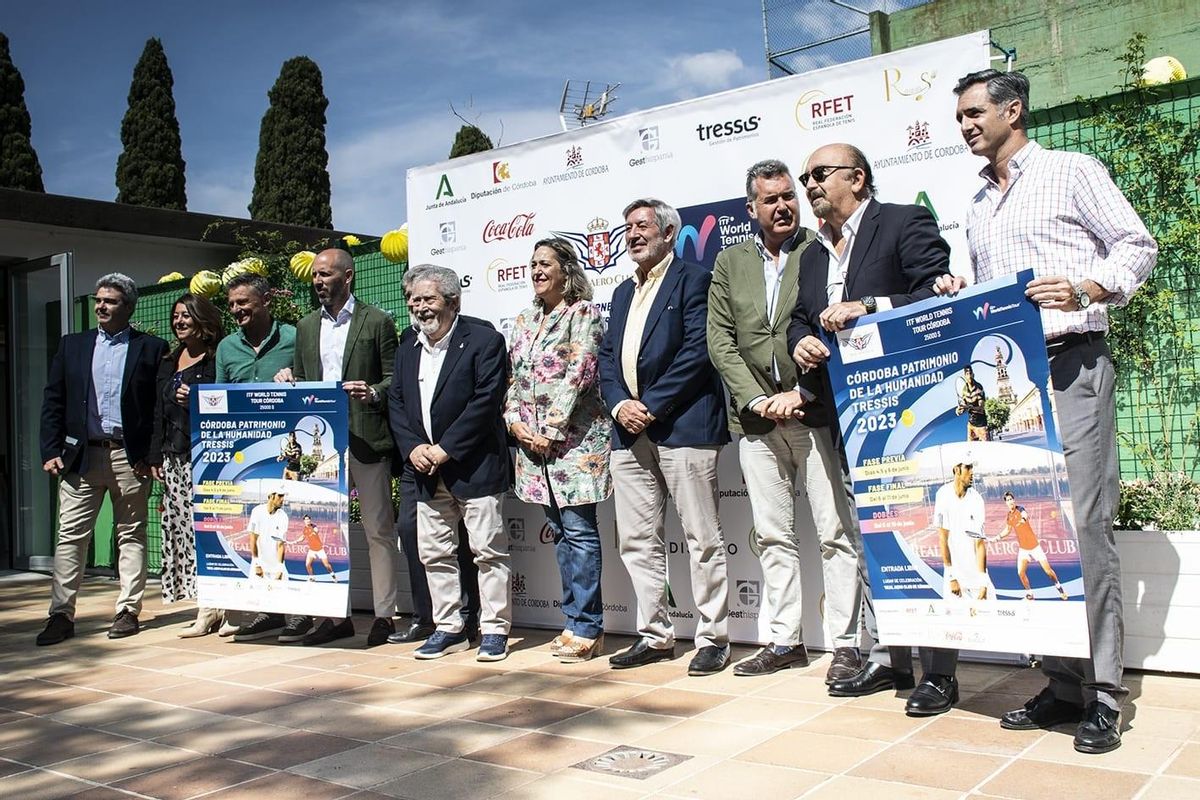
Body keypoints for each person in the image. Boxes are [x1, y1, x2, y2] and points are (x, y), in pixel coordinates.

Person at [942, 68, 1156, 753]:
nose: (967, 125)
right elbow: (991, 295)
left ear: (1014, 110)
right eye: (960, 117)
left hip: (1073, 363)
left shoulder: (1070, 170)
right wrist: (961, 288)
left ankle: (1102, 695)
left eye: (976, 113)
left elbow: (1137, 244)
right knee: (1031, 528)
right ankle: (1062, 684)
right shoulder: (975, 203)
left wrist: (1092, 283)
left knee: (1085, 528)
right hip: (1012, 387)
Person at [784, 143, 954, 711]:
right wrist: (800, 342)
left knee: (925, 533)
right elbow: (799, 323)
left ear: (857, 178)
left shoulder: (904, 221)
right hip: (846, 414)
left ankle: (940, 672)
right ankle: (889, 659)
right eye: (804, 176)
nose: (808, 184)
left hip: (910, 411)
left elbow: (938, 291)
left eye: (818, 174)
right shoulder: (809, 256)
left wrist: (870, 305)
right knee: (872, 538)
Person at [706, 159, 863, 680]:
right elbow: (720, 341)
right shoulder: (729, 263)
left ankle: (846, 644)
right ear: (751, 208)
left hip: (814, 411)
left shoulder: (818, 252)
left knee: (836, 532)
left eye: (788, 196)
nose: (782, 206)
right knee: (773, 536)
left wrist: (799, 392)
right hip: (754, 422)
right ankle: (785, 640)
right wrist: (756, 400)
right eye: (770, 199)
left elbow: (830, 328)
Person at [598, 198, 732, 676]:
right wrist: (618, 405)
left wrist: (650, 407)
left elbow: (700, 352)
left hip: (684, 427)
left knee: (702, 538)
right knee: (636, 540)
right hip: (627, 433)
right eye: (627, 227)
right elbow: (607, 360)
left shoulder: (694, 280)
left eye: (642, 226)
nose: (632, 234)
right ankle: (655, 636)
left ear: (669, 233)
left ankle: (714, 637)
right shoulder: (618, 294)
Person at [36, 274, 168, 646]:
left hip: (131, 457)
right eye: (98, 300)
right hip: (81, 456)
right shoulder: (72, 346)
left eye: (109, 301)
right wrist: (50, 450)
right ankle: (61, 615)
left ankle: (128, 611)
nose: (101, 306)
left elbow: (158, 409)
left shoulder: (151, 348)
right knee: (70, 537)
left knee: (131, 533)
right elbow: (53, 401)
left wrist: (152, 454)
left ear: (128, 306)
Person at [276, 248, 399, 648]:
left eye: (326, 275)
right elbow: (304, 381)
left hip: (366, 438)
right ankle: (334, 616)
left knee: (379, 530)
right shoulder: (306, 326)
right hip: (320, 446)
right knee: (326, 531)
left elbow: (393, 380)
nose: (317, 282)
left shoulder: (377, 321)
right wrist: (287, 377)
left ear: (348, 277)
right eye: (314, 275)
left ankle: (385, 616)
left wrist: (373, 392)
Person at [389, 264, 512, 661]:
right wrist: (413, 448)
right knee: (434, 552)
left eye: (427, 299)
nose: (418, 307)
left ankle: (494, 630)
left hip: (473, 465)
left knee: (487, 552)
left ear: (453, 301)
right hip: (424, 468)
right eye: (413, 300)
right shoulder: (407, 344)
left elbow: (486, 401)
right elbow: (397, 402)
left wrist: (446, 449)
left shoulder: (483, 339)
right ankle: (449, 627)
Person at [504, 238, 612, 662]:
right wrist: (515, 424)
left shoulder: (582, 312)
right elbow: (513, 379)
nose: (536, 270)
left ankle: (589, 626)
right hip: (533, 448)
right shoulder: (525, 318)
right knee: (562, 534)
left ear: (567, 270)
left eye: (545, 263)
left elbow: (580, 372)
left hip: (574, 445)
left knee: (580, 532)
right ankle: (572, 621)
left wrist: (551, 428)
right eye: (532, 264)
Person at [215, 274, 299, 641]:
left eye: (243, 303)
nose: (236, 310)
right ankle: (270, 612)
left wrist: (295, 378)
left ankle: (300, 612)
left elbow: (315, 381)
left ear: (265, 301)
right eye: (232, 304)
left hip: (286, 453)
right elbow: (217, 399)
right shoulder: (226, 348)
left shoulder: (296, 337)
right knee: (261, 531)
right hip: (244, 458)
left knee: (289, 528)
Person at [146, 293, 224, 637]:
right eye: (175, 316)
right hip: (173, 458)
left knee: (209, 531)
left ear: (202, 320)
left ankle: (217, 606)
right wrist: (154, 456)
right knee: (185, 534)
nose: (179, 322)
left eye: (186, 316)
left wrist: (196, 400)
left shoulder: (214, 359)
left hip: (205, 459)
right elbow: (157, 413)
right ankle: (205, 607)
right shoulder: (169, 360)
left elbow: (222, 405)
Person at [933, 457, 994, 608]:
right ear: (956, 470)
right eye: (968, 468)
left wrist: (983, 582)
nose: (972, 473)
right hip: (954, 578)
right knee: (958, 627)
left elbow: (979, 543)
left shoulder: (977, 499)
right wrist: (952, 577)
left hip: (975, 577)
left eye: (972, 468)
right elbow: (943, 538)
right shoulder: (942, 495)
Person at [994, 491, 1067, 600]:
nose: (1010, 502)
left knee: (1048, 571)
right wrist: (998, 537)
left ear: (1014, 500)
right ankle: (1030, 594)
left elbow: (1025, 514)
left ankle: (1059, 588)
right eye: (1007, 500)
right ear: (1006, 503)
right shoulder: (1009, 516)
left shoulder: (1020, 509)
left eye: (1011, 499)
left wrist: (1023, 519)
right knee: (1021, 573)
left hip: (1035, 547)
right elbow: (1008, 530)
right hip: (1023, 549)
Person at [240, 486, 290, 581]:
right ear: (271, 496)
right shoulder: (257, 511)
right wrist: (257, 564)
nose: (282, 499)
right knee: (256, 595)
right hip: (259, 566)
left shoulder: (283, 516)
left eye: (283, 496)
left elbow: (280, 544)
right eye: (280, 496)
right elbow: (253, 539)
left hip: (277, 568)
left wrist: (280, 568)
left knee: (281, 595)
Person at [293, 514, 338, 581]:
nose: (307, 521)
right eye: (306, 519)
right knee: (307, 564)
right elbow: (302, 537)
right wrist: (296, 541)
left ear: (310, 520)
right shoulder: (305, 529)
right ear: (304, 521)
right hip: (312, 550)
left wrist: (315, 531)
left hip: (319, 549)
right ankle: (312, 577)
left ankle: (333, 575)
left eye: (308, 519)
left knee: (327, 565)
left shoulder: (313, 526)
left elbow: (316, 530)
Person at [956, 365, 988, 441]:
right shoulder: (964, 390)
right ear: (965, 376)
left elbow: (981, 408)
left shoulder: (979, 387)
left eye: (970, 373)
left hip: (981, 425)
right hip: (971, 425)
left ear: (973, 374)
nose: (969, 376)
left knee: (986, 450)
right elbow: (964, 404)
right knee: (970, 451)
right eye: (967, 374)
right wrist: (960, 410)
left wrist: (968, 407)